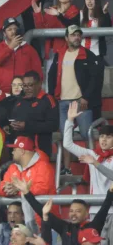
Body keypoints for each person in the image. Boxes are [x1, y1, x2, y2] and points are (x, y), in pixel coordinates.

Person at [49, 25, 104, 172]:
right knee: (66, 137)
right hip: (62, 102)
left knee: (87, 135)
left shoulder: (88, 55)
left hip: (81, 102)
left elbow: (96, 79)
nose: (77, 37)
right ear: (66, 38)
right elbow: (51, 76)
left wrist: (86, 97)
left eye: (79, 35)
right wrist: (52, 97)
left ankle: (93, 168)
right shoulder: (59, 54)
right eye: (73, 35)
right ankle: (66, 168)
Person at [63, 101, 113, 195]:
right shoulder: (93, 154)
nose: (104, 140)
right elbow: (67, 144)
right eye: (102, 136)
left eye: (109, 137)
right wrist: (70, 120)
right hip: (95, 204)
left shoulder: (93, 158)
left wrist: (95, 163)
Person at [8, 71, 58, 157]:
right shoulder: (20, 101)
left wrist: (26, 126)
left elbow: (53, 125)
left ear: (39, 84)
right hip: (19, 150)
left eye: (30, 85)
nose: (27, 88)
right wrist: (9, 127)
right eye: (24, 86)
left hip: (39, 150)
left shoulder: (48, 100)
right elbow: (13, 118)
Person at [0, 17, 44, 93]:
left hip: (25, 91)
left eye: (15, 29)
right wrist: (10, 48)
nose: (13, 31)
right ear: (4, 33)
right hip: (5, 92)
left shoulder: (29, 49)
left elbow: (38, 72)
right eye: (9, 29)